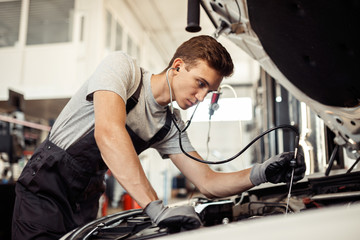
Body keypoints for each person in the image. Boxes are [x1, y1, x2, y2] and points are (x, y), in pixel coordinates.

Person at [12, 35, 306, 239]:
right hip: (45, 187)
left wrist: (261, 172)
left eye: (209, 91)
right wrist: (155, 207)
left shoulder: (168, 125)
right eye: (200, 83)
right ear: (177, 66)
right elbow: (108, 132)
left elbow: (208, 181)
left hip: (86, 198)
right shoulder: (123, 69)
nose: (202, 97)